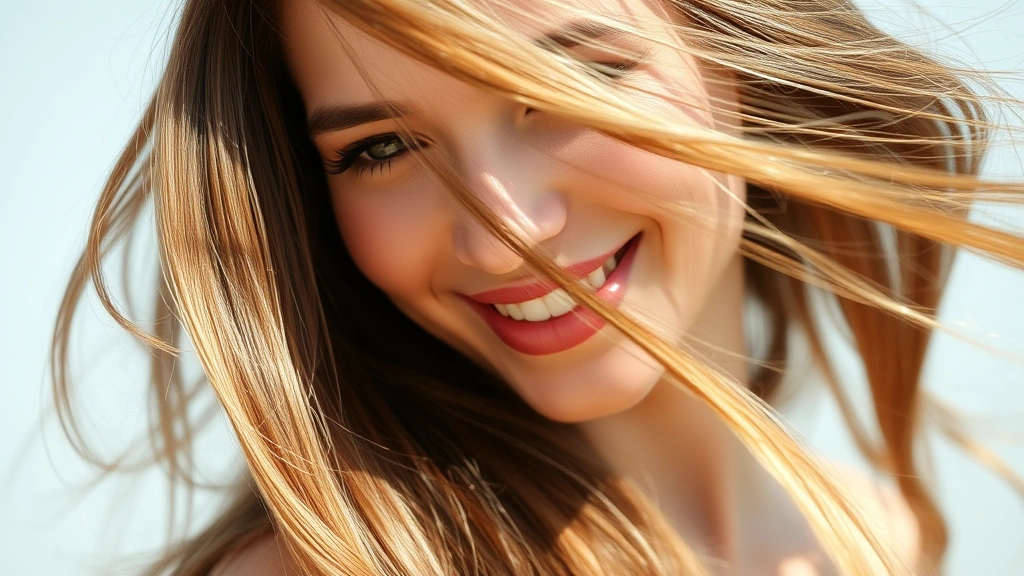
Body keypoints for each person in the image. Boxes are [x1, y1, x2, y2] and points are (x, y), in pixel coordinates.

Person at [51, 0, 1024, 574]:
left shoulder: (878, 537)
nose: (504, 232)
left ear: (735, 57)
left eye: (560, 93)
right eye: (381, 147)